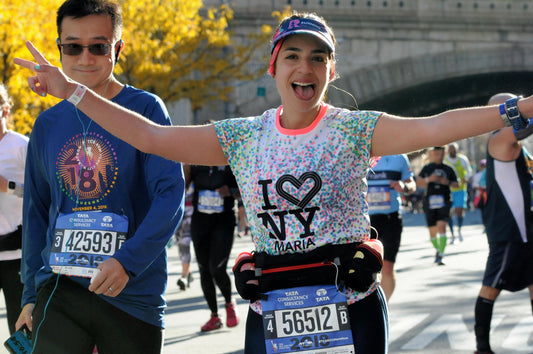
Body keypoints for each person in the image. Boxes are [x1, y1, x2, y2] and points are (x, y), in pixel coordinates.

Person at [14, 10, 533, 354]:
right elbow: (150, 137)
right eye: (293, 56)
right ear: (274, 65)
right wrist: (74, 93)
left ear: (331, 68)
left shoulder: (356, 129)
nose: (304, 68)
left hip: (348, 306)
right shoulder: (242, 136)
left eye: (318, 57)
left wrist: (519, 109)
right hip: (274, 306)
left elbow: (437, 126)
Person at [14, 1, 184, 353]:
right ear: (60, 49)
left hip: (130, 293)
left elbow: (171, 195)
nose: (85, 58)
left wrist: (127, 262)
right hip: (60, 291)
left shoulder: (147, 109)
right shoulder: (46, 124)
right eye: (73, 46)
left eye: (99, 46)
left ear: (118, 49)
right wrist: (30, 294)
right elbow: (36, 212)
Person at [474, 93, 533, 354]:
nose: (518, 107)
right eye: (513, 105)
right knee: (491, 287)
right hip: (508, 230)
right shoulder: (499, 139)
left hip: (525, 228)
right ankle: (482, 347)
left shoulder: (513, 142)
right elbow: (522, 133)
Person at [185, 163, 240, 331]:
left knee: (217, 268)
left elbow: (244, 191)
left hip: (223, 221)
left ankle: (229, 304)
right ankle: (214, 316)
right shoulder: (194, 162)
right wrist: (185, 166)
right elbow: (184, 186)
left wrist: (230, 191)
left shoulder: (229, 161)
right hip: (200, 222)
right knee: (204, 270)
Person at [368, 154, 416, 301]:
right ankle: (373, 306)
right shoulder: (364, 150)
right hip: (366, 220)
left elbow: (412, 185)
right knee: (369, 268)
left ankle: (385, 306)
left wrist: (404, 187)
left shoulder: (400, 157)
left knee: (387, 267)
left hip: (391, 218)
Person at [0, 84, 27, 335]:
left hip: (16, 255)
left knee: (19, 328)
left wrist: (7, 187)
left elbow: (40, 194)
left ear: (5, 110)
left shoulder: (21, 146)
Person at [417, 147, 459, 265]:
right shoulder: (427, 168)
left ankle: (441, 254)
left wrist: (448, 182)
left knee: (442, 226)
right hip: (429, 201)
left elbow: (457, 183)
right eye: (437, 154)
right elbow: (418, 182)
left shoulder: (449, 169)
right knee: (432, 232)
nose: (439, 157)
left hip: (444, 200)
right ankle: (437, 249)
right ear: (433, 153)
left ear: (444, 154)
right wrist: (429, 179)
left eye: (442, 154)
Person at [444, 142, 472, 243]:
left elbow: (469, 171)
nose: (452, 151)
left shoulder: (462, 159)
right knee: (450, 213)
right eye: (450, 149)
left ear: (456, 150)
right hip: (449, 190)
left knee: (459, 211)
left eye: (454, 149)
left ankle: (459, 230)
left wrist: (466, 178)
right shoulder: (445, 160)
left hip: (461, 189)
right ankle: (452, 235)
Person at [175, 181, 194, 291]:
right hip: (178, 217)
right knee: (181, 246)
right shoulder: (173, 171)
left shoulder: (195, 172)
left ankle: (184, 276)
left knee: (184, 243)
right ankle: (188, 273)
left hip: (192, 217)